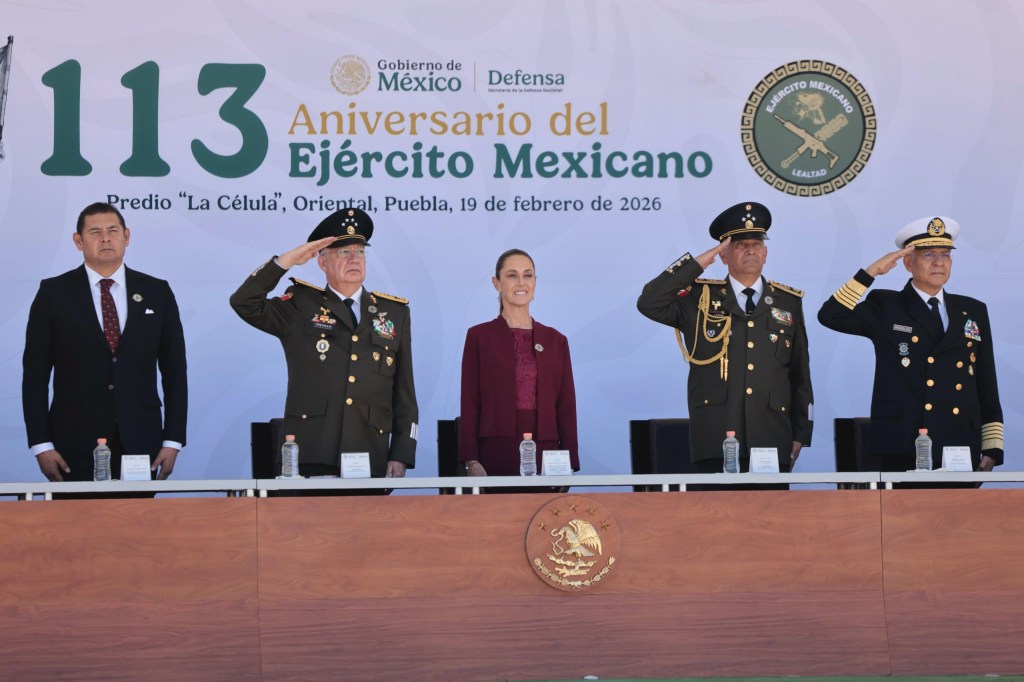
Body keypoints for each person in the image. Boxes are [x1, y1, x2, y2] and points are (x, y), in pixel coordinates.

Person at [230, 207, 417, 481]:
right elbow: (244, 302)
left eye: (360, 251)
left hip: (369, 454)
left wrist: (401, 453)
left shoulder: (394, 313)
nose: (354, 259)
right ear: (322, 263)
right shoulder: (300, 303)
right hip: (311, 455)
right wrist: (285, 262)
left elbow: (404, 391)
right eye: (343, 252)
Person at [636, 202, 813, 474]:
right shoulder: (699, 297)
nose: (751, 249)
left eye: (757, 243)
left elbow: (799, 373)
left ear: (766, 253)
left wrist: (801, 432)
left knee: (772, 516)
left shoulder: (787, 302)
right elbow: (649, 302)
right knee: (716, 515)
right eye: (741, 245)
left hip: (771, 436)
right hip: (714, 436)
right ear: (723, 255)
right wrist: (696, 265)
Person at [817, 216, 1003, 473]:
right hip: (904, 442)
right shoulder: (887, 305)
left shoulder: (972, 310)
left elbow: (985, 380)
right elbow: (830, 315)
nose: (939, 262)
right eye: (929, 255)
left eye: (946, 255)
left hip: (959, 443)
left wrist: (992, 447)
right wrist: (871, 272)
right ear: (907, 262)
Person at [22, 202, 187, 482]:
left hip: (140, 441)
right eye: (95, 232)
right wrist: (41, 444)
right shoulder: (53, 293)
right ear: (78, 241)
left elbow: (174, 371)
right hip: (72, 442)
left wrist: (172, 440)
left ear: (127, 236)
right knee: (77, 524)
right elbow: (35, 376)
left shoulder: (156, 291)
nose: (106, 238)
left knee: (138, 524)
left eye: (113, 230)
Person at [460, 249, 579, 489]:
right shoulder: (479, 337)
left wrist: (570, 462)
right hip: (495, 451)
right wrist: (471, 459)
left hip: (547, 454)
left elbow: (566, 406)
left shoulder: (556, 340)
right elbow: (470, 402)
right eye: (512, 275)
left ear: (535, 282)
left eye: (528, 275)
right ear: (497, 283)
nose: (521, 282)